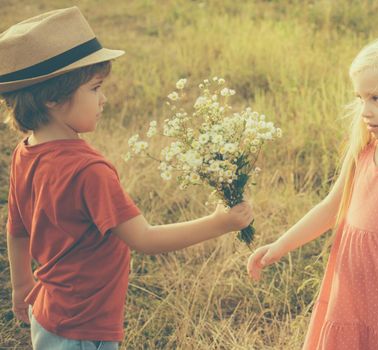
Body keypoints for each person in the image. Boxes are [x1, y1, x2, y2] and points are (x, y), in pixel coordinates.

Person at [2, 7, 253, 349]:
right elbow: (145, 239)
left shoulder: (24, 151)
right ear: (52, 99)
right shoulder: (89, 171)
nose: (104, 99)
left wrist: (21, 287)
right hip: (85, 327)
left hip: (46, 314)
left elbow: (16, 228)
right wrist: (220, 222)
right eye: (95, 88)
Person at [247, 32, 378, 350]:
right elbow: (332, 207)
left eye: (376, 98)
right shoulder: (365, 150)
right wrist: (281, 245)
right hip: (349, 305)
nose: (365, 111)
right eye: (361, 98)